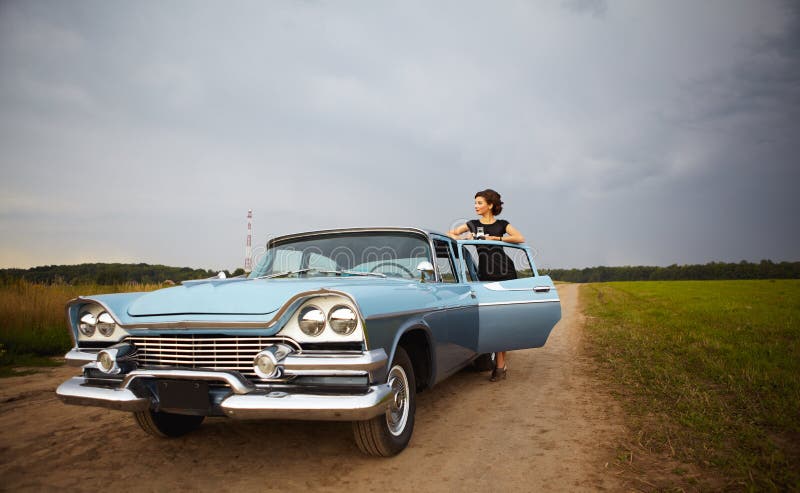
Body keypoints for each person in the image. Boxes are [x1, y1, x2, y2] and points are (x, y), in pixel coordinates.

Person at [447, 189, 525, 382]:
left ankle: (500, 366)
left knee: (503, 320)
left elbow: (520, 238)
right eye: (475, 203)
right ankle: (495, 362)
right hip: (485, 275)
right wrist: (466, 238)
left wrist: (496, 239)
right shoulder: (472, 225)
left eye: (479, 203)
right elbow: (450, 234)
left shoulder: (502, 225)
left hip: (505, 272)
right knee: (491, 320)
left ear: (490, 205)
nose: (476, 206)